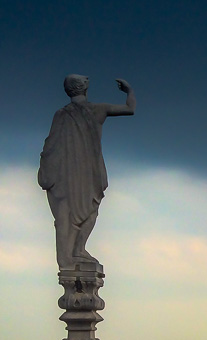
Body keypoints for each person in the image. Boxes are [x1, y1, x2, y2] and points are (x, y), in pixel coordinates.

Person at [38, 74, 135, 270]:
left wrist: (47, 169)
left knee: (70, 213)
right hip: (90, 171)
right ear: (84, 86)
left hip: (68, 173)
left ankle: (75, 251)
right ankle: (78, 249)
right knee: (92, 208)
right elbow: (130, 109)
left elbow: (51, 146)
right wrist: (129, 91)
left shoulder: (61, 114)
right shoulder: (97, 109)